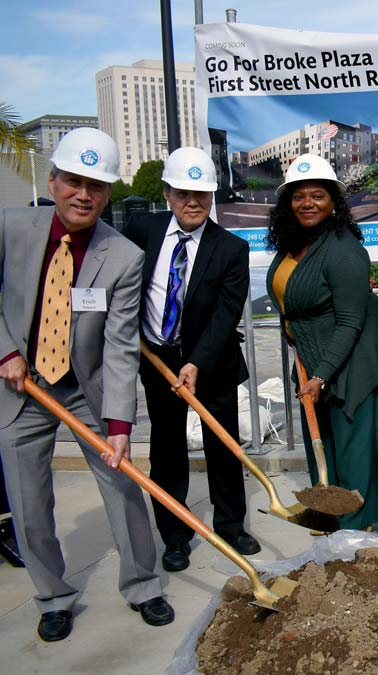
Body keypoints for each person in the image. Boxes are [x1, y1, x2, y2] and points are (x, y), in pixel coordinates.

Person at [0, 128, 173, 642]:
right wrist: (6, 351)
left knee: (122, 483)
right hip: (21, 385)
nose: (83, 194)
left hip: (84, 386)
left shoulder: (121, 256)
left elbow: (120, 346)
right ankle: (53, 596)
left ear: (108, 193)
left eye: (96, 186)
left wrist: (120, 425)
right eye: (74, 181)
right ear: (53, 182)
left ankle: (143, 585)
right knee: (29, 500)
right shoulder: (10, 228)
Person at [124, 147, 258, 573]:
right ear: (167, 193)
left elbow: (226, 313)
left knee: (223, 444)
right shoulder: (140, 231)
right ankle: (175, 535)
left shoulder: (230, 247)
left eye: (202, 193)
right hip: (158, 360)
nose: (193, 201)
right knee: (167, 449)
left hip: (212, 361)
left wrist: (197, 361)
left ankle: (231, 525)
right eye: (183, 192)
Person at [266, 154, 378, 531]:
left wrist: (321, 375)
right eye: (298, 196)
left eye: (317, 195)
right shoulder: (294, 244)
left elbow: (350, 322)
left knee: (353, 458)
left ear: (333, 201)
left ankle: (358, 534)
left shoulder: (343, 249)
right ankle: (336, 524)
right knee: (327, 450)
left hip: (349, 368)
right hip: (312, 365)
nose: (307, 203)